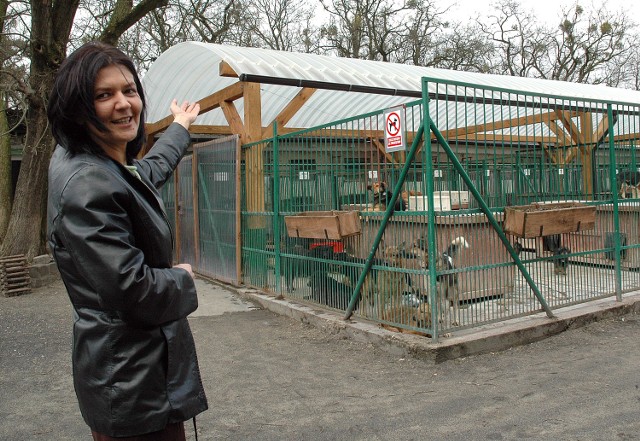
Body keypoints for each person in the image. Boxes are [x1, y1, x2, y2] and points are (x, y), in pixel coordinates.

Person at [46, 41, 208, 440]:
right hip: (132, 380)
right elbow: (131, 289)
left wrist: (180, 127)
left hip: (135, 373)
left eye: (129, 90)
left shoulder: (101, 163)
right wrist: (181, 278)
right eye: (104, 95)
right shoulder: (88, 184)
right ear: (77, 106)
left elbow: (147, 172)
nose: (124, 104)